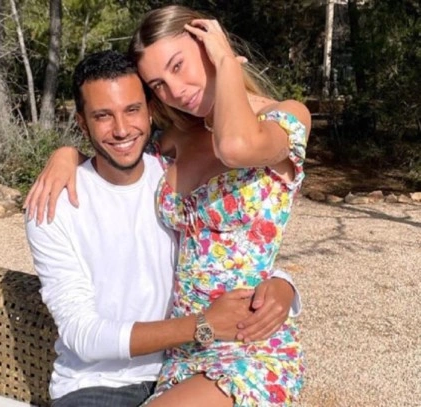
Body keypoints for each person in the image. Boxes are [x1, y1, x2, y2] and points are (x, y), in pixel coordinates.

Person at [26, 5, 312, 406]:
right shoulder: (178, 139)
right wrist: (68, 154)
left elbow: (235, 147)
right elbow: (121, 161)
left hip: (244, 344)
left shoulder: (284, 117)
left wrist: (226, 62)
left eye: (178, 65)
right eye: (158, 84)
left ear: (209, 46)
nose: (175, 91)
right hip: (182, 353)